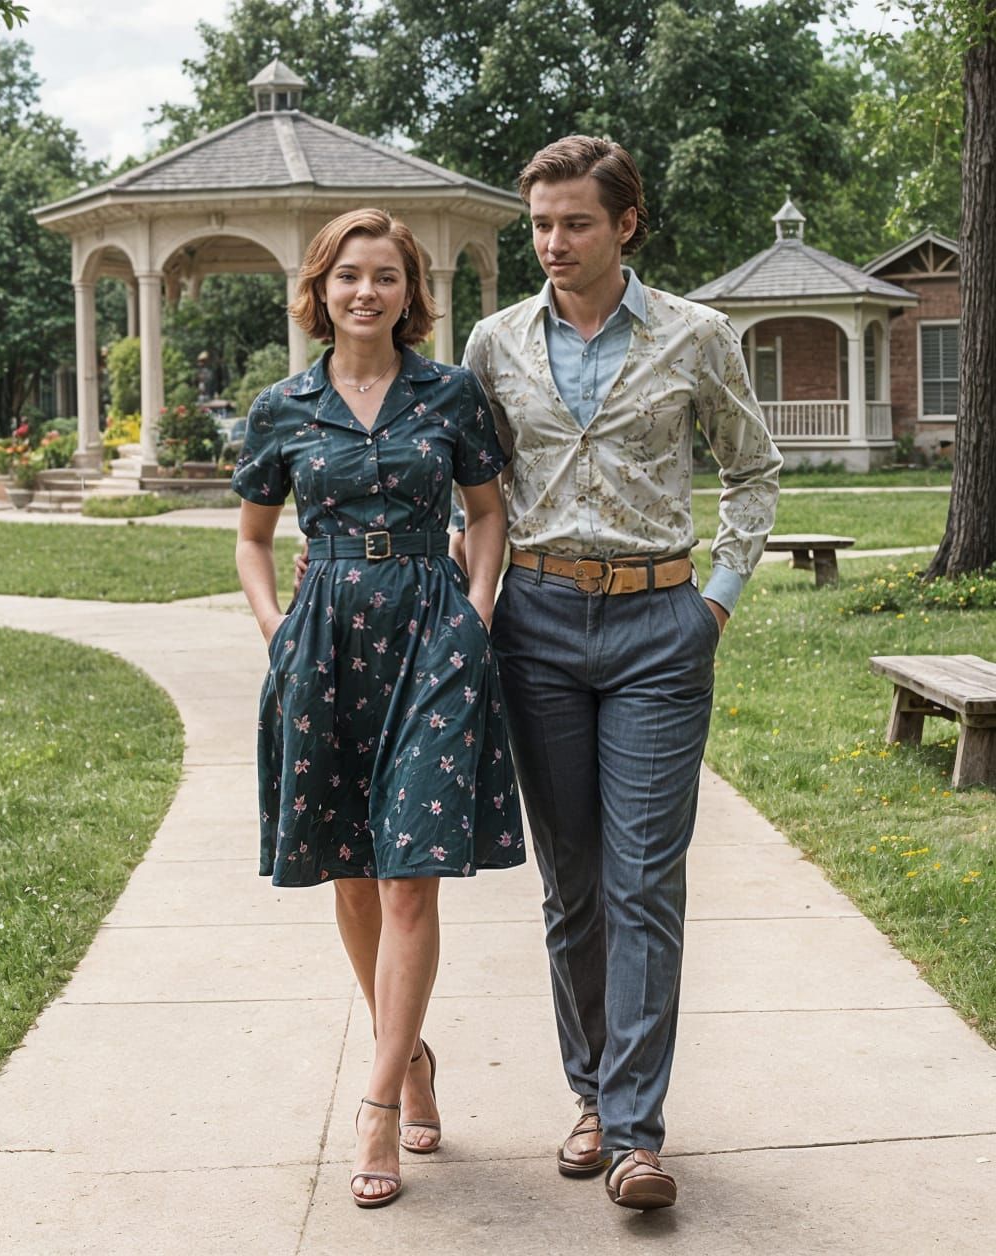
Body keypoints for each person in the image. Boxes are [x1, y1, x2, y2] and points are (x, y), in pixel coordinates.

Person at [460, 136, 782, 1210]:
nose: (552, 243)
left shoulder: (697, 334)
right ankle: (590, 1094)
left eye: (575, 223)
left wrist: (716, 601)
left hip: (659, 627)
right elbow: (472, 487)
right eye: (540, 224)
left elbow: (751, 467)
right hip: (536, 626)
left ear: (624, 223)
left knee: (646, 879)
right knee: (574, 886)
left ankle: (637, 1132)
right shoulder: (495, 341)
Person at [233, 208, 525, 1210]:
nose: (367, 292)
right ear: (320, 289)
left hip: (433, 630)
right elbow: (252, 535)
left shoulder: (449, 394)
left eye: (386, 277)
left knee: (409, 875)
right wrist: (274, 625)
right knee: (350, 871)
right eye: (349, 276)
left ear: (411, 292)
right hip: (323, 645)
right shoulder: (282, 406)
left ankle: (374, 1104)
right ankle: (411, 1057)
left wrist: (478, 611)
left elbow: (486, 515)